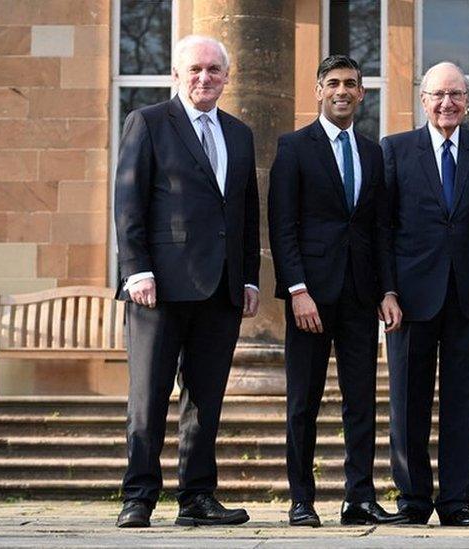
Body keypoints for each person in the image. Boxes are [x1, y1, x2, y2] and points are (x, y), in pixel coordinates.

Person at [113, 35, 259, 528]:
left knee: (205, 397)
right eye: (195, 69)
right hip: (159, 287)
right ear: (177, 75)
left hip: (221, 289)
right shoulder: (149, 122)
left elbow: (244, 214)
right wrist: (137, 270)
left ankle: (196, 497)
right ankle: (139, 497)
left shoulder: (239, 134)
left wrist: (250, 279)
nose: (205, 78)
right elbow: (128, 201)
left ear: (226, 77)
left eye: (214, 70)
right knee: (149, 396)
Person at [268, 55, 406, 527]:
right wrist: (297, 290)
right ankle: (301, 499)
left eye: (350, 84)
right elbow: (282, 226)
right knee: (303, 401)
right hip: (311, 296)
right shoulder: (293, 148)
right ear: (318, 90)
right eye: (333, 83)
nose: (342, 91)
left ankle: (359, 498)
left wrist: (387, 290)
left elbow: (380, 229)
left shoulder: (373, 152)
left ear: (362, 92)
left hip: (361, 296)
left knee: (361, 399)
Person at [379, 61, 469, 527]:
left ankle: (456, 501)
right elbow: (384, 228)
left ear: (467, 100)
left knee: (461, 402)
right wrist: (387, 290)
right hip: (410, 300)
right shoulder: (395, 150)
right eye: (438, 95)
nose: (447, 103)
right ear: (423, 100)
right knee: (407, 401)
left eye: (456, 94)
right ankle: (413, 500)